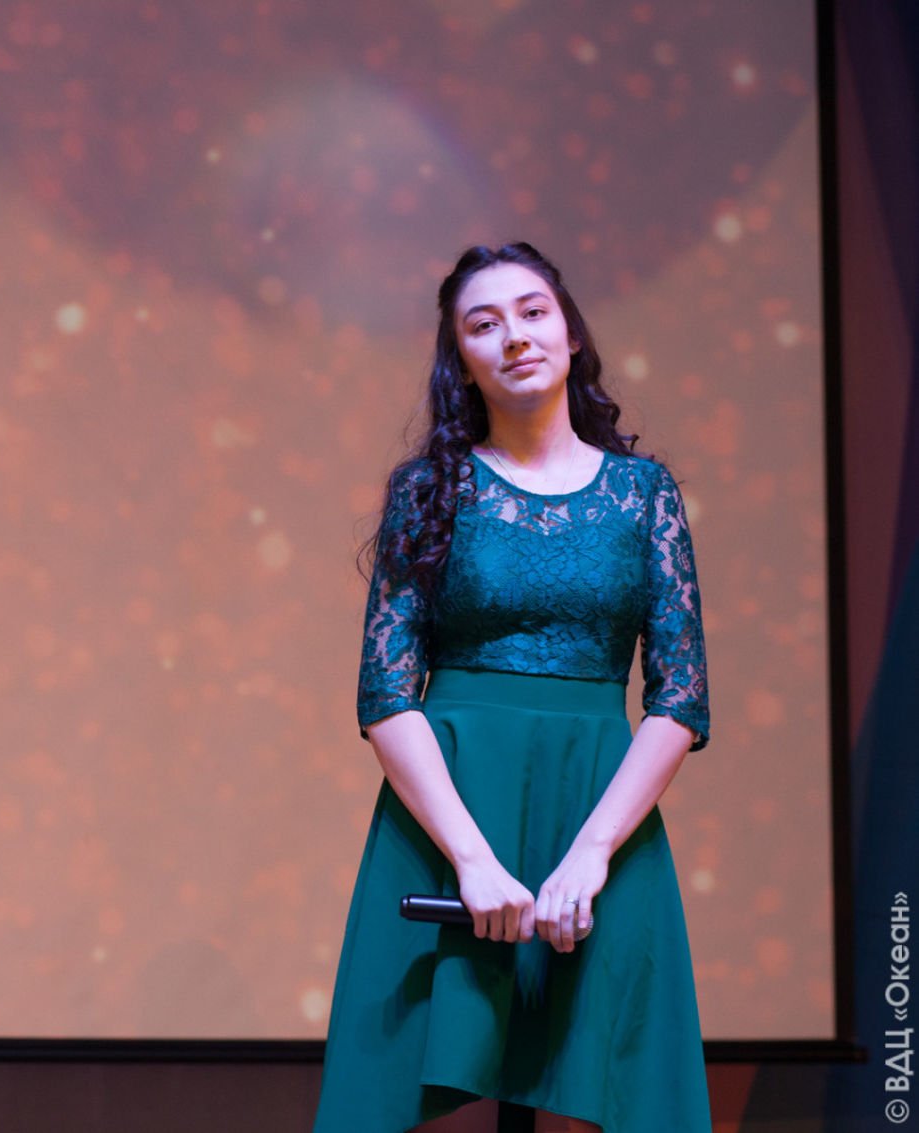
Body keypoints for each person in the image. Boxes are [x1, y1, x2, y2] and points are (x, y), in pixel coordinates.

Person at [312, 244, 710, 1133]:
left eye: (533, 312)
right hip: (451, 815)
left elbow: (680, 696)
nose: (515, 336)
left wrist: (593, 851)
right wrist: (472, 859)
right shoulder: (429, 491)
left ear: (571, 333)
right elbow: (386, 692)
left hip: (600, 812)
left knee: (633, 1079)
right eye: (483, 324)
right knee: (390, 1081)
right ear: (461, 361)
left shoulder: (644, 495)